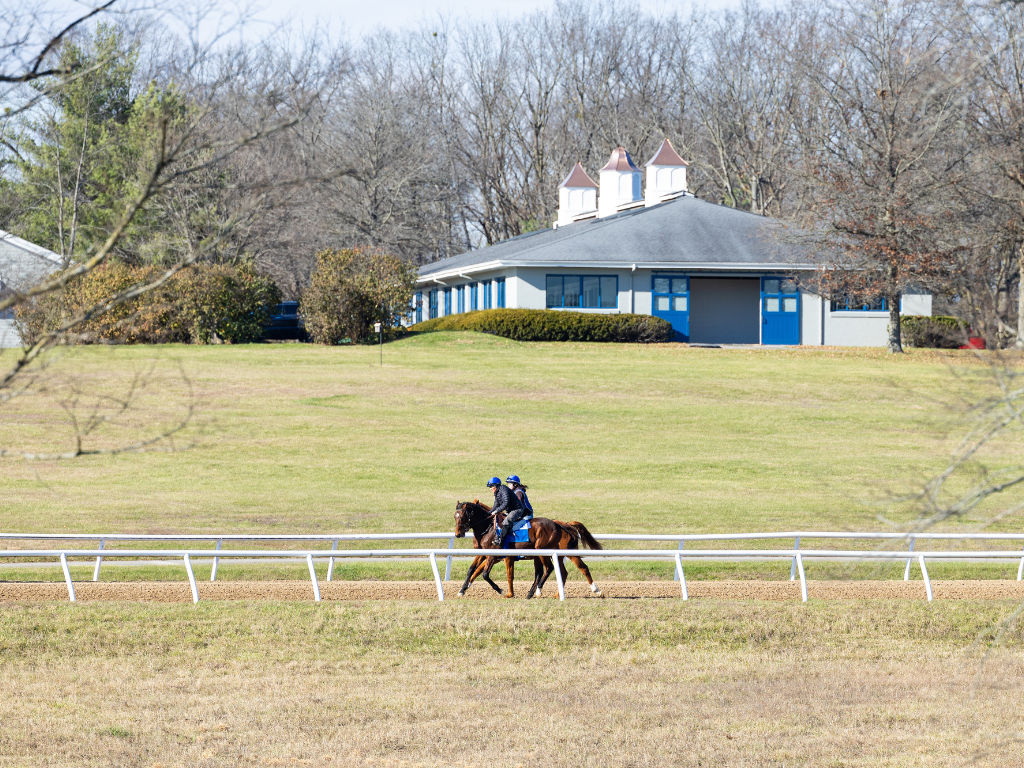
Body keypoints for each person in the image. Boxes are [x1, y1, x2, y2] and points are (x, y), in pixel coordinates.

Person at [487, 476, 527, 549]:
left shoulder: (504, 489)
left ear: (496, 486)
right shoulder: (497, 493)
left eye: (491, 487)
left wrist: (496, 511)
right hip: (510, 510)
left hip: (517, 510)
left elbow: (506, 503)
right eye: (489, 487)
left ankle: (500, 541)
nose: (490, 489)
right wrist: (488, 513)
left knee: (506, 521)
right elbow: (495, 505)